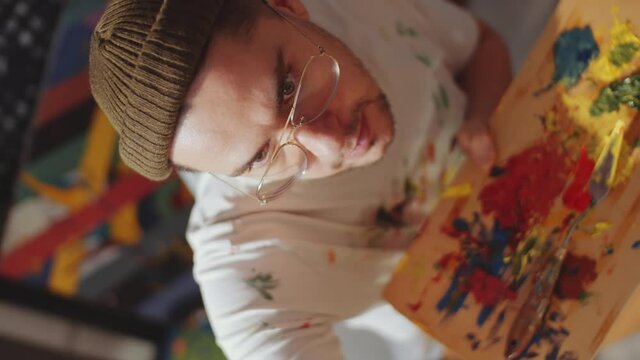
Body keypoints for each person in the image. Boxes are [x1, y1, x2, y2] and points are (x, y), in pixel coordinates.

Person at [89, 0, 511, 358]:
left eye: (289, 86)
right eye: (260, 157)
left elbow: (481, 46)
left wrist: (480, 115)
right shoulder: (244, 262)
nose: (330, 143)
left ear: (288, 6)